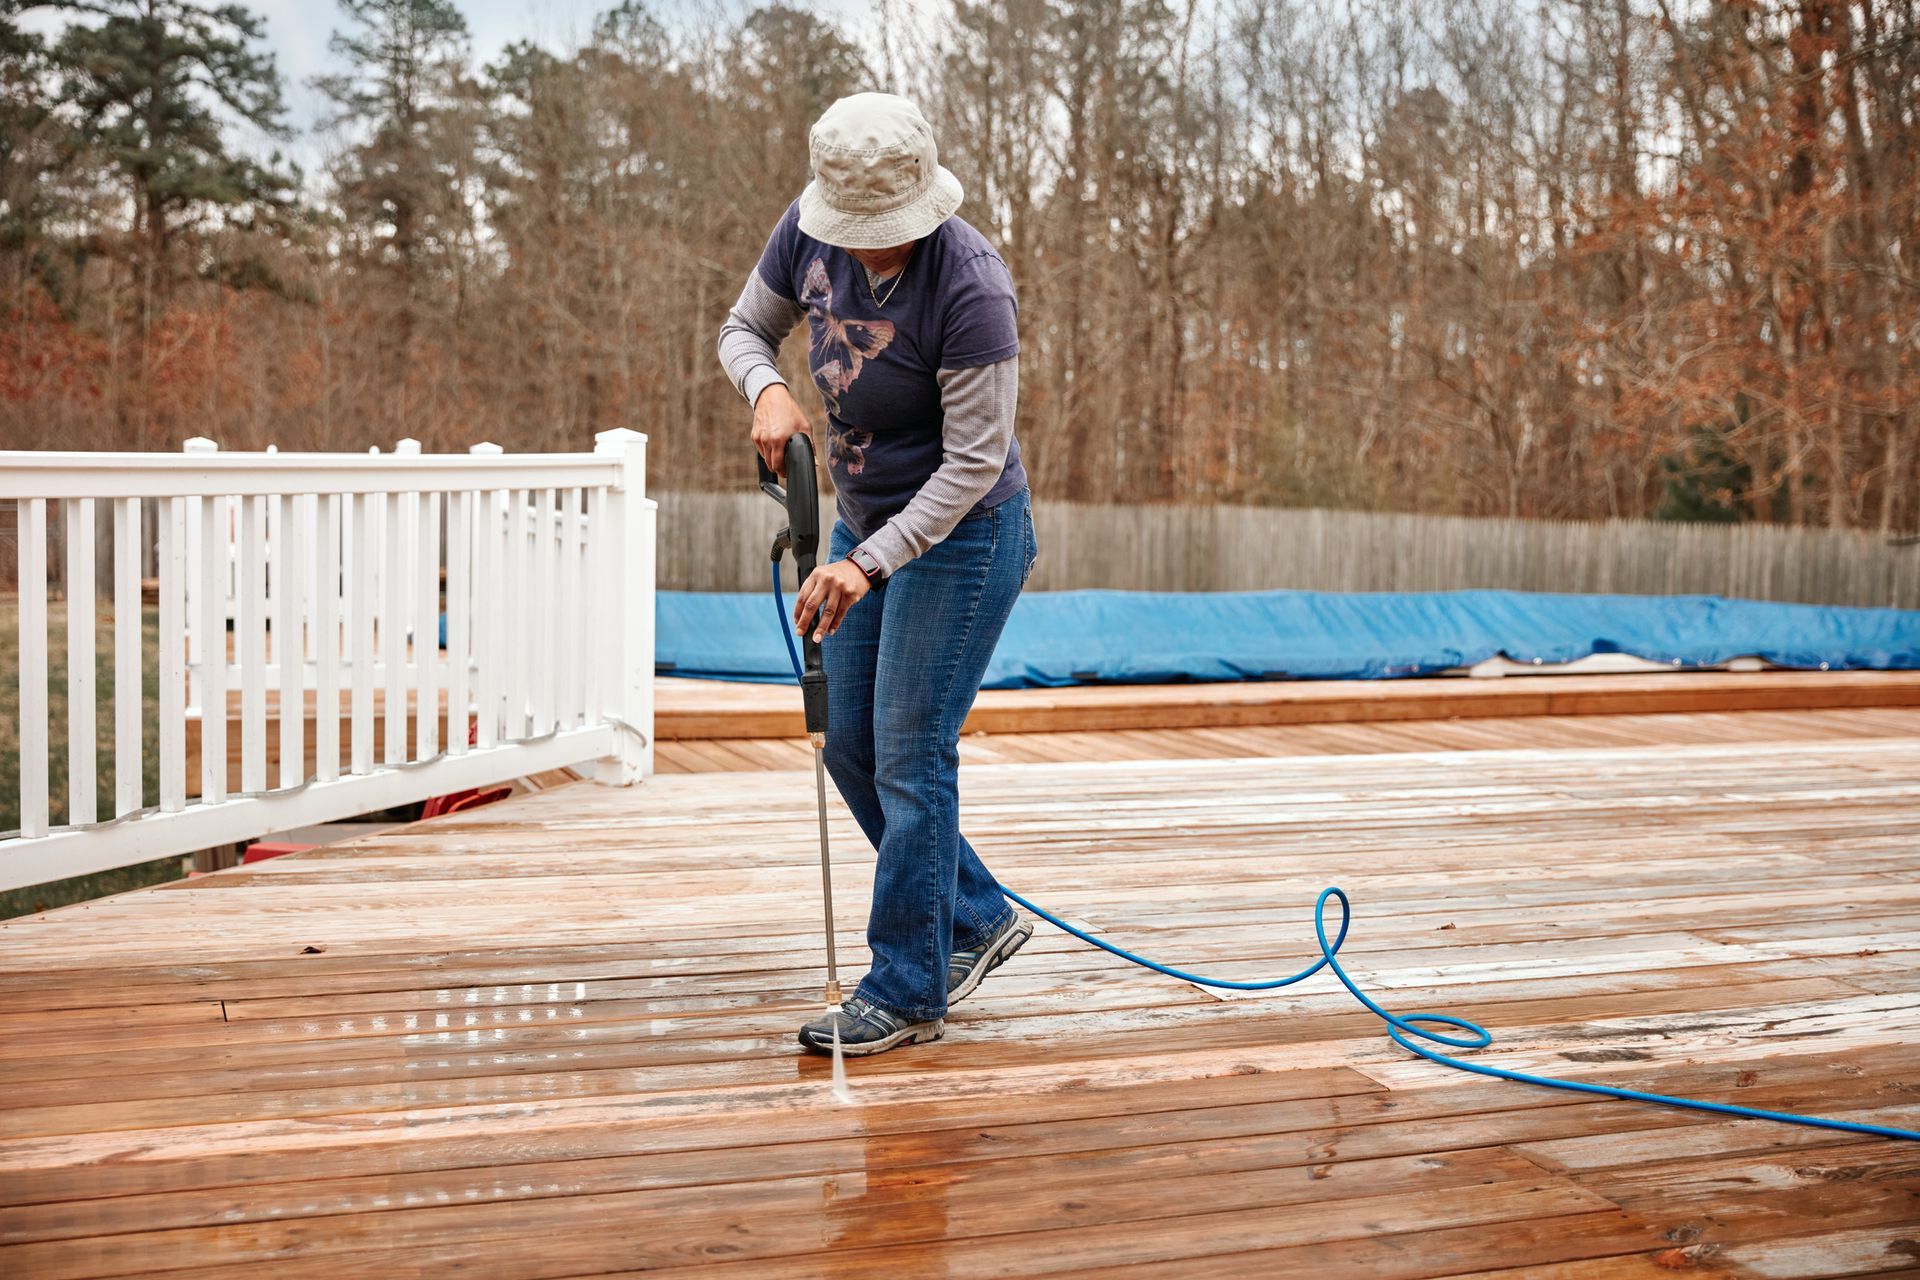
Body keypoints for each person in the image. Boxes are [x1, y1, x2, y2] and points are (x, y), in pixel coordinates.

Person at [717, 92, 1037, 1056]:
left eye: (882, 238)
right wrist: (768, 387)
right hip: (863, 531)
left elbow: (975, 462)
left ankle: (908, 985)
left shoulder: (971, 283)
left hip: (962, 537)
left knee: (909, 749)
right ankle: (975, 916)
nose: (864, 253)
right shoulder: (804, 237)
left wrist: (867, 560)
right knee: (849, 744)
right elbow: (742, 329)